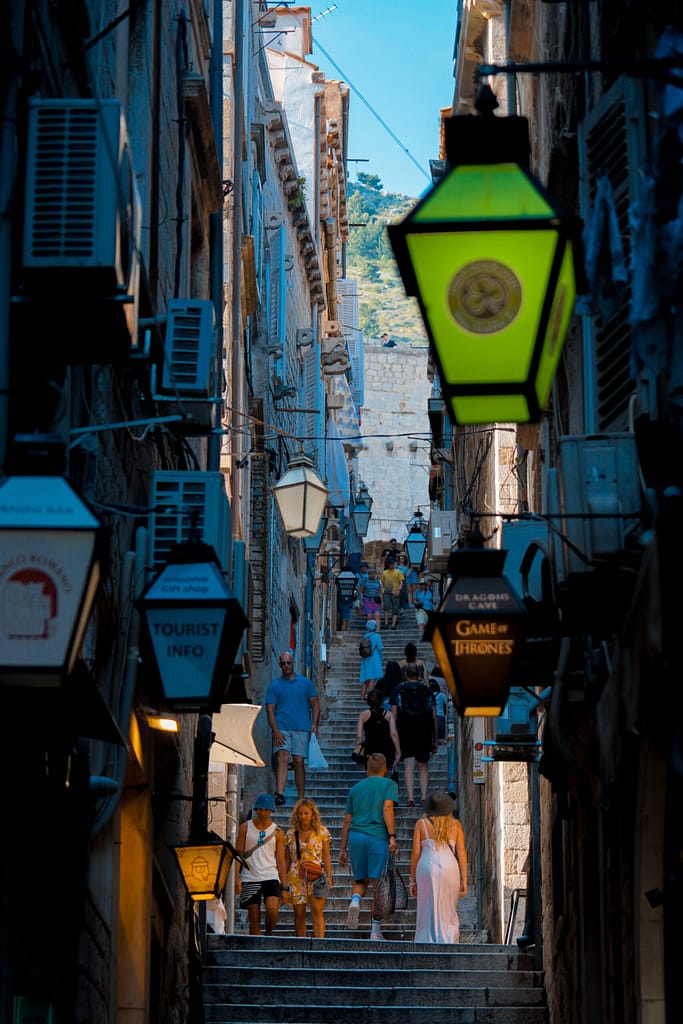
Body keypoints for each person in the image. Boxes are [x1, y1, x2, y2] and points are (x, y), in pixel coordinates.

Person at [338, 752, 399, 941]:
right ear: (385, 769)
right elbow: (387, 808)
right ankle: (375, 930)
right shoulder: (389, 784)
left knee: (360, 881)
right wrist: (392, 836)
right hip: (377, 836)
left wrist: (342, 849)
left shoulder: (355, 789)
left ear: (366, 769)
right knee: (378, 885)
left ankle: (355, 900)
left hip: (356, 836)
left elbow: (347, 820)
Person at [409, 790, 467, 943]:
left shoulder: (421, 824)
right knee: (448, 906)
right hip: (450, 867)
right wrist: (464, 879)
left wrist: (412, 880)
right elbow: (461, 852)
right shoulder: (456, 825)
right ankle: (448, 938)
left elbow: (415, 853)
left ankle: (426, 940)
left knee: (427, 906)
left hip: (427, 866)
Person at [265, 651, 320, 806]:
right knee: (282, 757)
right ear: (280, 665)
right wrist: (275, 730)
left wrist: (314, 723)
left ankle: (301, 797)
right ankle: (280, 793)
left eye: (288, 662)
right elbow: (270, 709)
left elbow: (315, 703)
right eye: (283, 663)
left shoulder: (305, 683)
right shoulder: (274, 686)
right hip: (282, 727)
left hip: (301, 727)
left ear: (293, 663)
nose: (286, 666)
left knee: (298, 761)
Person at [234, 793, 288, 935]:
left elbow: (281, 860)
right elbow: (238, 854)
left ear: (271, 811)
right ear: (256, 809)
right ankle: (256, 944)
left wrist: (284, 886)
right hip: (250, 876)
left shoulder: (277, 832)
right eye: (260, 809)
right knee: (254, 918)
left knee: (273, 909)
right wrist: (236, 878)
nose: (263, 813)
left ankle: (268, 934)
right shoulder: (245, 827)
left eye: (266, 810)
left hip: (270, 875)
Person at [283, 797, 333, 938]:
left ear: (312, 814)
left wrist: (329, 876)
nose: (303, 816)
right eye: (300, 813)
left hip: (316, 876)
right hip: (296, 877)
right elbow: (286, 859)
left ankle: (319, 943)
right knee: (299, 914)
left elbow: (326, 856)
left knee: (317, 911)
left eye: (306, 813)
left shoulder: (322, 833)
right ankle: (301, 944)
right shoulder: (291, 834)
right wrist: (283, 880)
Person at [391, 662, 438, 807]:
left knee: (409, 765)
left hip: (405, 731)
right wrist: (435, 739)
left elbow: (394, 715)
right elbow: (434, 716)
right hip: (424, 731)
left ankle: (411, 799)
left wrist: (394, 738)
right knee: (423, 765)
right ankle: (423, 798)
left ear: (406, 675)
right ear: (419, 675)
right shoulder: (427, 690)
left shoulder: (398, 690)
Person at [355, 690, 401, 776]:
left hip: (370, 748)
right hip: (386, 749)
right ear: (381, 700)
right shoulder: (389, 715)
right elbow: (393, 733)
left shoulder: (363, 715)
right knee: (383, 773)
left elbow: (359, 736)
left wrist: (357, 750)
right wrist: (398, 751)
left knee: (370, 774)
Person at [359, 619, 383, 701]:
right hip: (374, 658)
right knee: (372, 678)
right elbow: (380, 647)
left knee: (366, 680)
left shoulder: (365, 636)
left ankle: (362, 697)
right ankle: (370, 698)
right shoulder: (377, 636)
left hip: (365, 658)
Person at [380, 558, 404, 630]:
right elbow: (382, 583)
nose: (392, 564)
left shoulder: (398, 572)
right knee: (386, 607)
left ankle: (393, 625)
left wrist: (399, 590)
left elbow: (401, 582)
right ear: (388, 564)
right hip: (386, 592)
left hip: (395, 592)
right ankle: (386, 623)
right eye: (390, 563)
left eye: (393, 563)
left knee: (395, 608)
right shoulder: (384, 572)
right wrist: (382, 590)